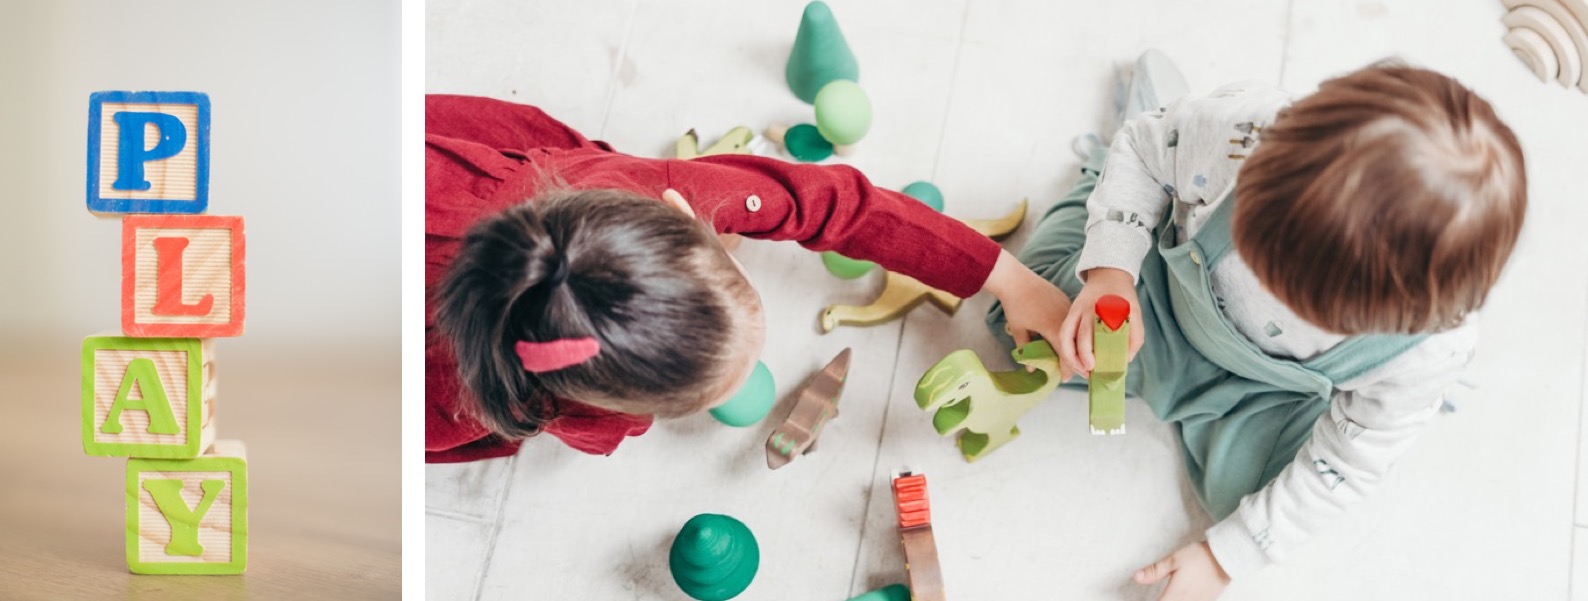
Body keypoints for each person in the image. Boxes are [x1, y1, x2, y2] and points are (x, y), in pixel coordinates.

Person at [988, 53, 1526, 599]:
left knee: (1254, 513)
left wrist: (1222, 559)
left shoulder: (1429, 351)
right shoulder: (1240, 136)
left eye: (1306, 305)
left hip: (1267, 393)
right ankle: (1123, 154)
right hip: (1159, 300)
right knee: (1024, 325)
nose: (1273, 292)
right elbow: (1144, 154)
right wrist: (1110, 275)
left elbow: (1345, 463)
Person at [425, 95, 1070, 463]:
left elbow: (833, 202)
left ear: (683, 212)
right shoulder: (462, 403)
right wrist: (617, 423)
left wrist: (1007, 278)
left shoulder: (654, 187)